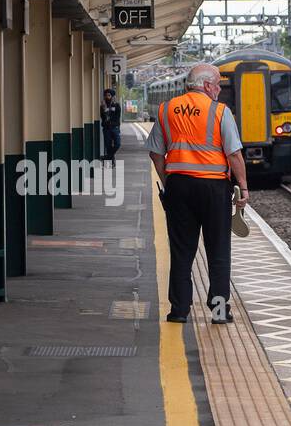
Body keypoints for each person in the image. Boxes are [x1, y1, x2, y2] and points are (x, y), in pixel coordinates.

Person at [147, 63, 249, 325]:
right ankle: (218, 311)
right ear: (206, 85)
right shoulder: (219, 111)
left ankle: (179, 310)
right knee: (218, 250)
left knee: (181, 251)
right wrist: (243, 187)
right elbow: (234, 154)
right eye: (217, 84)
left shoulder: (166, 110)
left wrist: (168, 180)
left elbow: (156, 153)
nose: (219, 89)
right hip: (214, 188)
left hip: (179, 187)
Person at [100, 87, 122, 165]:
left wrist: (112, 122)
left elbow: (117, 117)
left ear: (112, 96)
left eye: (109, 95)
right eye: (106, 95)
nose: (107, 97)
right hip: (106, 128)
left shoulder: (117, 105)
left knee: (118, 144)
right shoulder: (103, 106)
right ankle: (111, 162)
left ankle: (107, 157)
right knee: (108, 145)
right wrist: (105, 110)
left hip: (115, 128)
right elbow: (103, 117)